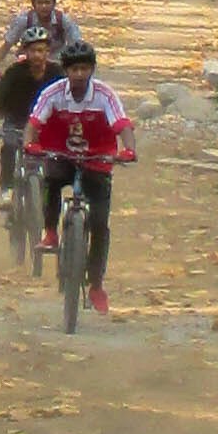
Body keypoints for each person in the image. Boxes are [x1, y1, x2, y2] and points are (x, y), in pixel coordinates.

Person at [22, 41, 137, 314]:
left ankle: (96, 284)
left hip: (97, 159)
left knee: (99, 225)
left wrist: (129, 149)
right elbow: (33, 124)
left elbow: (122, 124)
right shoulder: (53, 93)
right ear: (66, 70)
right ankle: (50, 232)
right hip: (60, 153)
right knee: (50, 180)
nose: (79, 74)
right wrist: (30, 144)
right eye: (74, 69)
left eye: (85, 68)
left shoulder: (104, 95)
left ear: (92, 69)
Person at [0, 0, 87, 213]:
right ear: (25, 52)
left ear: (48, 52)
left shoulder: (58, 73)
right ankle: (6, 191)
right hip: (17, 120)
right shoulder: (16, 72)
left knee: (56, 159)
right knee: (8, 145)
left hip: (44, 123)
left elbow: (72, 97)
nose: (38, 56)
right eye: (33, 51)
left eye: (42, 51)